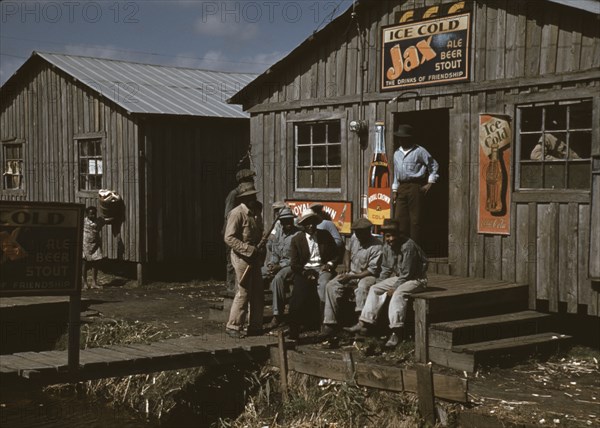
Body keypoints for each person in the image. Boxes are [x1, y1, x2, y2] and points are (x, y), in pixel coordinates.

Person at [345, 219, 428, 349]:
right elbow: (386, 268)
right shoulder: (387, 246)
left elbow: (407, 273)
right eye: (388, 236)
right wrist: (381, 283)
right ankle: (364, 322)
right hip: (400, 277)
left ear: (399, 234)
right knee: (375, 288)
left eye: (393, 235)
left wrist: (394, 288)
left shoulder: (408, 246)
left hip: (416, 280)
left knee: (398, 294)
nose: (390, 239)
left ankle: (396, 332)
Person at [322, 218, 382, 336]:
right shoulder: (355, 237)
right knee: (331, 285)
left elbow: (371, 270)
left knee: (362, 287)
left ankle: (362, 323)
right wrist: (346, 266)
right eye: (356, 232)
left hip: (369, 275)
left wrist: (351, 277)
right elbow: (347, 251)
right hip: (353, 272)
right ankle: (330, 323)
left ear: (368, 231)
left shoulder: (377, 246)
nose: (358, 234)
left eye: (361, 232)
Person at [287, 209, 339, 339]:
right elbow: (294, 264)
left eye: (312, 222)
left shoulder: (325, 235)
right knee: (298, 295)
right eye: (307, 223)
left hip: (322, 268)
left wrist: (330, 264)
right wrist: (305, 272)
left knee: (324, 288)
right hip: (304, 270)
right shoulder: (297, 239)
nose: (310, 226)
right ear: (303, 225)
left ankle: (325, 326)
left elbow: (336, 254)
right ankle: (294, 329)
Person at [224, 182, 265, 339]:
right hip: (242, 257)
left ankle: (255, 326)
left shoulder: (255, 213)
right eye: (251, 196)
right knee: (244, 291)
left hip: (255, 257)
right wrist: (247, 250)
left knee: (257, 291)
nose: (254, 198)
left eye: (254, 195)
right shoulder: (236, 213)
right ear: (245, 198)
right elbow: (229, 238)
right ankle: (233, 325)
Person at [391, 124, 439, 246]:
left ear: (409, 138)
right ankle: (402, 247)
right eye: (399, 138)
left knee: (415, 221)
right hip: (402, 187)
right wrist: (395, 190)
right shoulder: (397, 153)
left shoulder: (419, 151)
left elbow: (433, 165)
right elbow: (396, 173)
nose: (401, 140)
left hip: (415, 186)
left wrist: (430, 183)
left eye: (404, 137)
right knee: (399, 219)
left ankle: (415, 249)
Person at [261, 207, 298, 329]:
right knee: (257, 273)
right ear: (280, 222)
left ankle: (277, 315)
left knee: (278, 278)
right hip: (278, 264)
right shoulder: (279, 233)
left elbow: (295, 259)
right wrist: (272, 263)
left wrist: (279, 266)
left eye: (289, 220)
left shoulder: (298, 234)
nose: (287, 223)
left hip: (291, 266)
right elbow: (275, 253)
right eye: (284, 221)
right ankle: (254, 313)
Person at [223, 169, 256, 292]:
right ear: (242, 181)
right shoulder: (234, 194)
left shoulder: (249, 194)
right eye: (249, 179)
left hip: (243, 232)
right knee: (231, 262)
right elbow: (228, 214)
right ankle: (231, 288)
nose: (251, 182)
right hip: (232, 230)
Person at [82, 206, 109, 289]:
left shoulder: (99, 221)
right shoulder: (83, 221)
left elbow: (109, 219)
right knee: (84, 263)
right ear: (87, 214)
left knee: (96, 262)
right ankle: (84, 283)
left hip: (95, 244)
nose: (93, 216)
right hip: (84, 244)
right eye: (91, 214)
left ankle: (94, 282)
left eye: (94, 214)